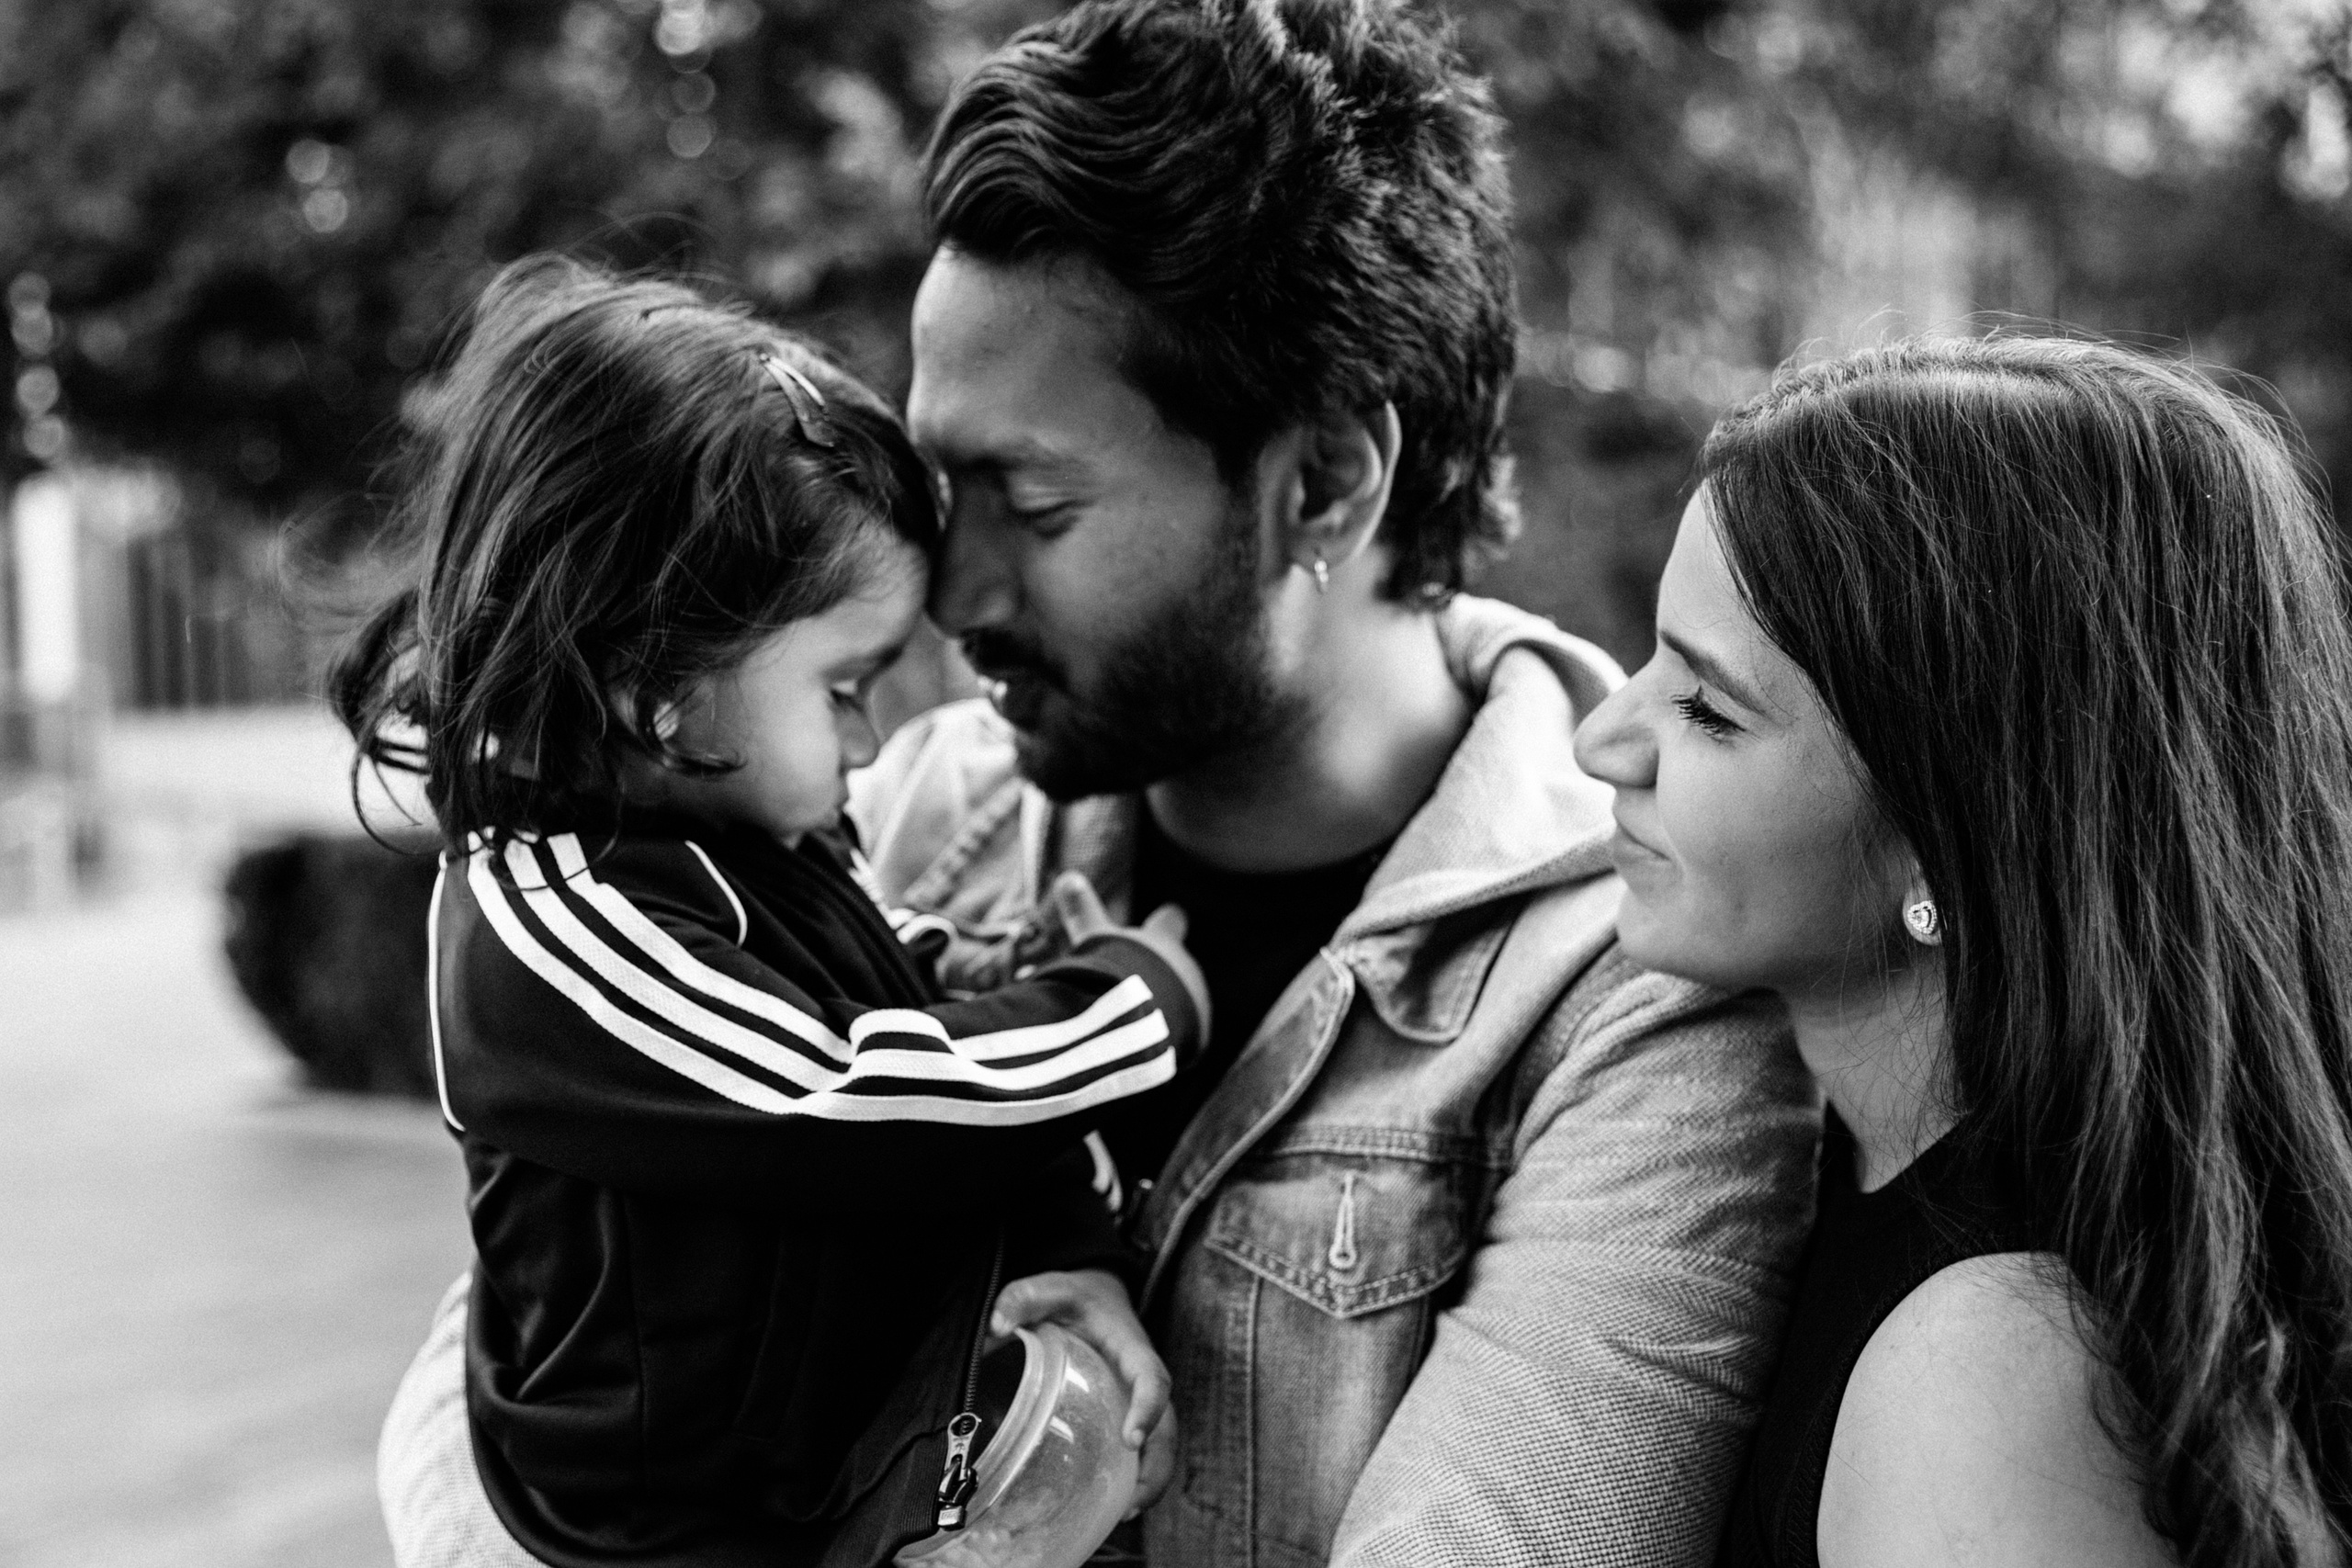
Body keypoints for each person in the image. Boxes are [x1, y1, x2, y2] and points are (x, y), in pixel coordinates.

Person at [854, 2, 1821, 1563]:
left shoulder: (1634, 996)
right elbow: (506, 1377)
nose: (946, 591)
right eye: (936, 484)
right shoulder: (917, 820)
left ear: (1325, 483)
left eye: (1031, 502)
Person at [339, 256, 1214, 1568]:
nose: (873, 735)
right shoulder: (546, 925)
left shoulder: (747, 834)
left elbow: (877, 992)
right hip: (662, 1533)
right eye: (845, 685)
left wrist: (990, 975)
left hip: (799, 1460)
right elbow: (845, 1093)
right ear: (660, 684)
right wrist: (1124, 1002)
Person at [1571, 334, 2352, 1567]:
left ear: (1947, 841)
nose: (1599, 740)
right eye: (1650, 659)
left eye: (1708, 707)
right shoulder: (1786, 1136)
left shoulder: (1989, 1387)